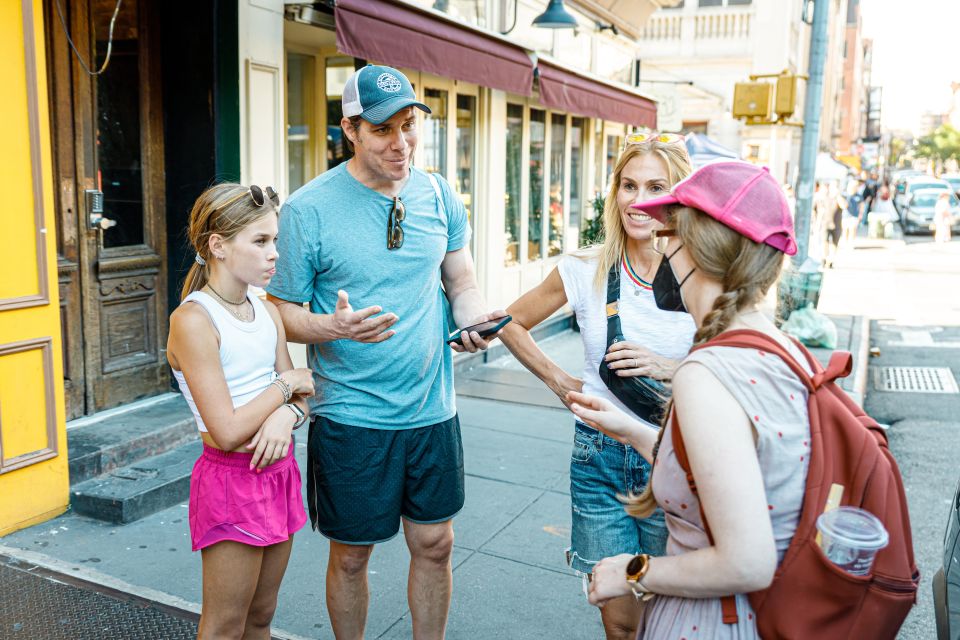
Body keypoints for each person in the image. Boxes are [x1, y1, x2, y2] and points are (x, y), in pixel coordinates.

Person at [264, 65, 501, 640]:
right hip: (352, 414)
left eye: (409, 126)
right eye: (383, 131)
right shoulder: (307, 210)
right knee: (351, 555)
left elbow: (461, 281)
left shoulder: (440, 193)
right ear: (350, 129)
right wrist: (334, 327)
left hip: (431, 408)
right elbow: (278, 313)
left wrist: (474, 319)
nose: (401, 144)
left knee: (435, 544)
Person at [567, 161, 810, 637]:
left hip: (712, 622)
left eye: (670, 234)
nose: (661, 246)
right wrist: (631, 430)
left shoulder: (704, 372)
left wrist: (631, 571)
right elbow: (731, 464)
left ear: (700, 248)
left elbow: (746, 562)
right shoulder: (781, 348)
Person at [499, 133, 696, 640]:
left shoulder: (701, 272)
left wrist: (669, 367)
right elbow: (510, 322)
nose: (638, 199)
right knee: (619, 616)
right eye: (628, 185)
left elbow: (739, 360)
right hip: (599, 459)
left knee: (668, 615)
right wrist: (561, 382)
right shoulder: (585, 268)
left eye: (655, 186)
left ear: (679, 195)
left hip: (674, 456)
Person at [167, 183, 314, 638]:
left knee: (261, 617)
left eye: (275, 241)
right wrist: (286, 386)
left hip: (280, 473)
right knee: (225, 626)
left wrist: (287, 414)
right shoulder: (194, 321)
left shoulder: (265, 310)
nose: (275, 254)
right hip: (232, 479)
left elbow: (304, 397)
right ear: (219, 246)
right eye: (261, 241)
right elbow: (228, 430)